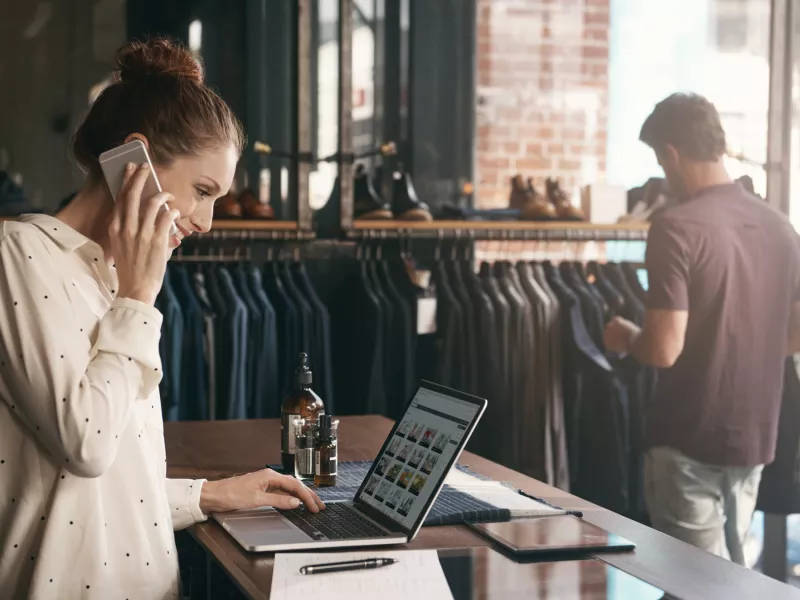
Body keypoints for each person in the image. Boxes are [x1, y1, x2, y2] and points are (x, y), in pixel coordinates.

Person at [0, 38, 324, 599]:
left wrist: (208, 495)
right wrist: (140, 295)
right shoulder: (18, 256)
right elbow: (87, 443)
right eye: (203, 191)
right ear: (135, 162)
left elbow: (106, 488)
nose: (207, 221)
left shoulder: (114, 278)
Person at [604, 92, 800, 565]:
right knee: (732, 577)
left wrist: (626, 336)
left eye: (659, 160)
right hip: (754, 438)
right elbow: (795, 334)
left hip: (687, 438)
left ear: (671, 153)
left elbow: (664, 348)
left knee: (694, 584)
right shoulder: (780, 225)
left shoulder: (676, 227)